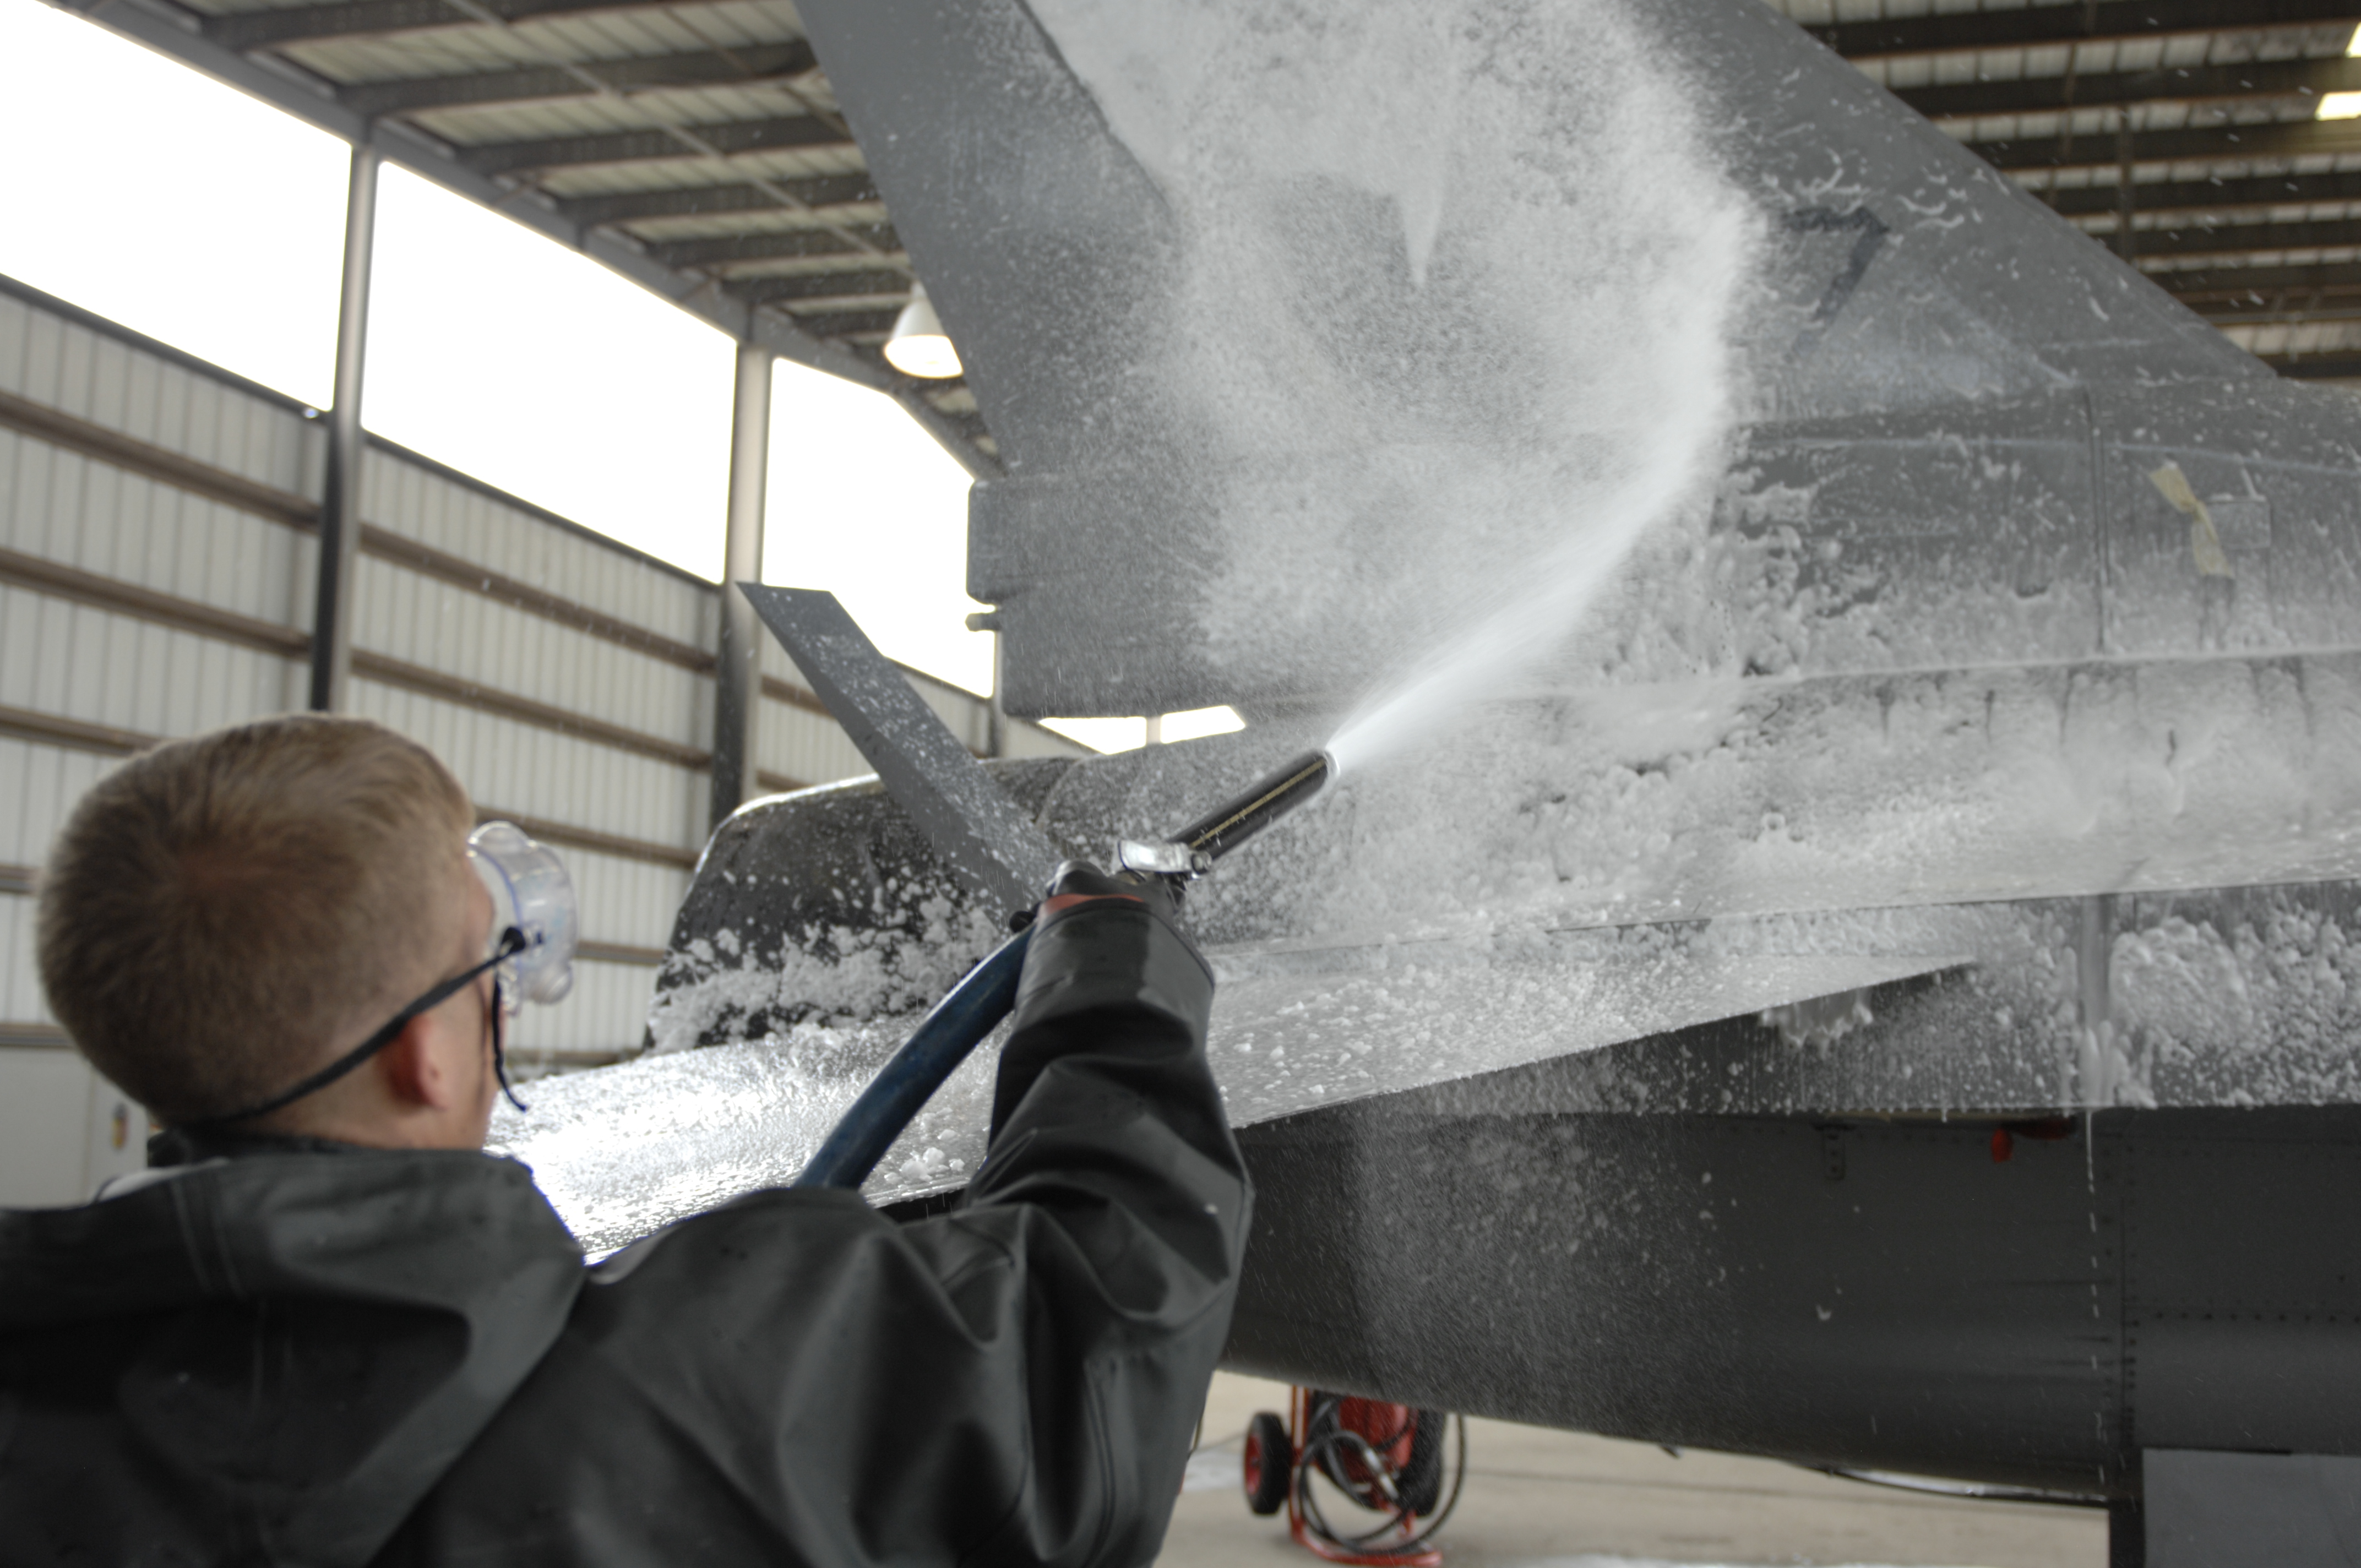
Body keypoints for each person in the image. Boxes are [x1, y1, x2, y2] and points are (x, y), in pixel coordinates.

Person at [1, 713, 1250, 1566]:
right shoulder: (705, 1382)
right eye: (490, 965)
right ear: (423, 1055)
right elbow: (1102, 1313)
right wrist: (1114, 972)